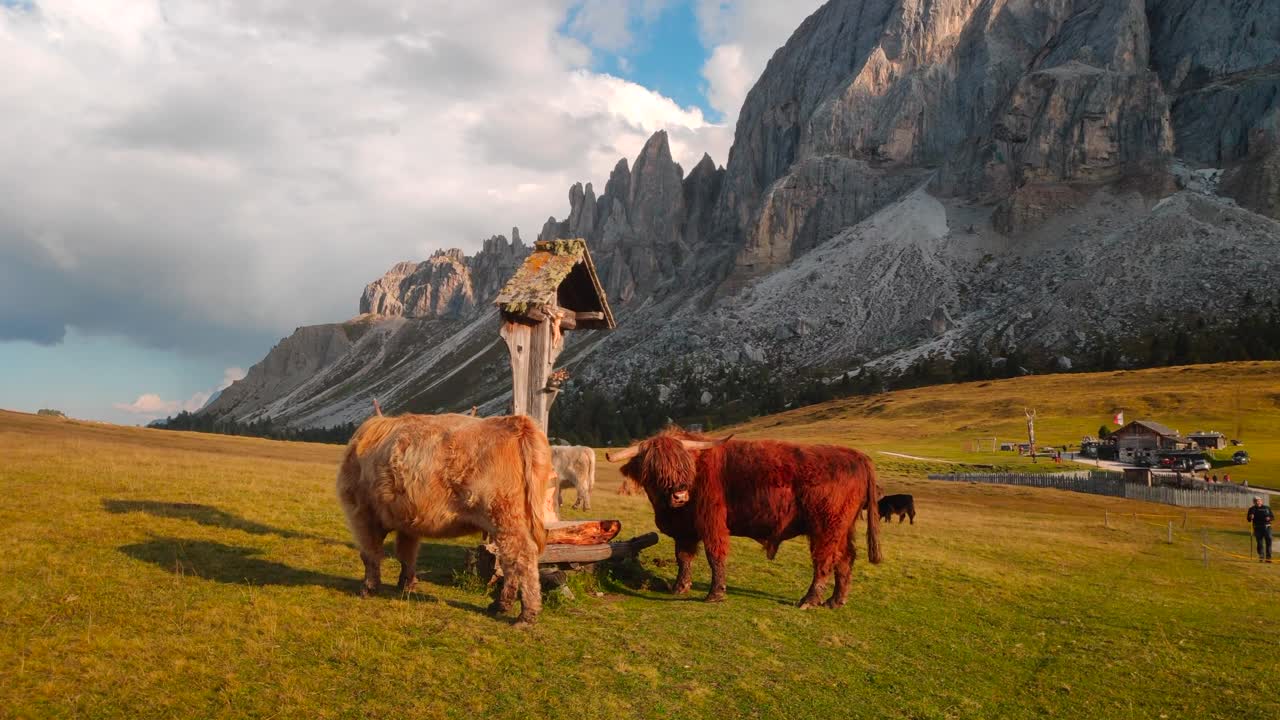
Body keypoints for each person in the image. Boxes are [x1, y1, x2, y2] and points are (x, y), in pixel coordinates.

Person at [1247, 497, 1274, 563]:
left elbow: (1272, 517)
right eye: (1256, 501)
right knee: (1260, 543)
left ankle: (1268, 558)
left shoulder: (1267, 508)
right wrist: (1250, 517)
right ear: (1254, 502)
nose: (1258, 502)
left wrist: (1269, 518)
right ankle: (1261, 556)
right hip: (1257, 528)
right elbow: (1248, 519)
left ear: (1262, 501)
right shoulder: (1252, 509)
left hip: (1267, 527)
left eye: (1259, 501)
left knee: (1269, 541)